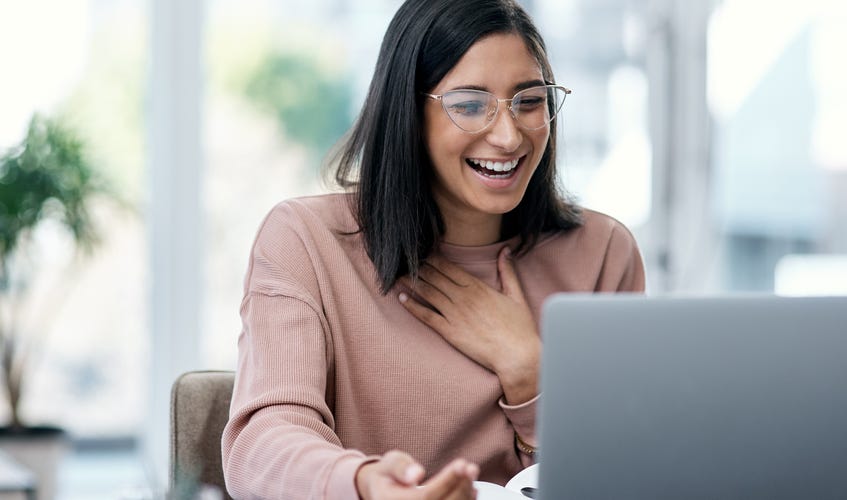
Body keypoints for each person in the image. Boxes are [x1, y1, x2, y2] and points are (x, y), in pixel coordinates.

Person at [221, 0, 645, 498]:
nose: (509, 136)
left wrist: (532, 373)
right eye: (469, 104)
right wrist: (361, 484)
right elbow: (262, 442)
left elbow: (625, 468)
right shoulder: (305, 241)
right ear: (407, 113)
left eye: (529, 101)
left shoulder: (603, 253)